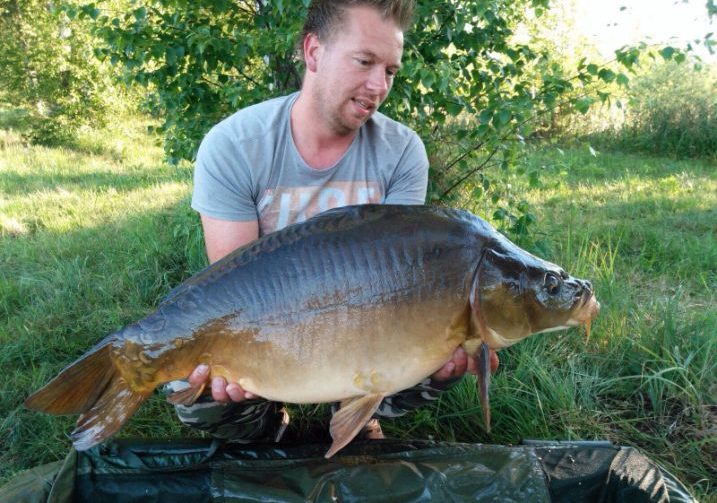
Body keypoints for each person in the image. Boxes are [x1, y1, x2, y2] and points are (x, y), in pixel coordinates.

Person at [167, 0, 499, 443]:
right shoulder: (234, 145)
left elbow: (406, 283)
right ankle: (270, 423)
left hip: (364, 325)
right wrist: (234, 362)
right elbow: (235, 294)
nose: (378, 85)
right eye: (364, 62)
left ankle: (358, 412)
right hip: (272, 330)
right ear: (313, 53)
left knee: (445, 353)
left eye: (391, 71)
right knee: (200, 388)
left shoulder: (401, 152)